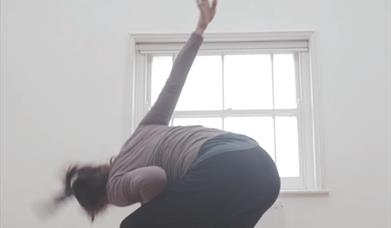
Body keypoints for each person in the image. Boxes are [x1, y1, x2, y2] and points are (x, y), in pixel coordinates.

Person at [49, 0, 280, 227]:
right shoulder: (141, 132)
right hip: (263, 170)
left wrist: (153, 214)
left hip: (222, 167)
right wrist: (199, 29)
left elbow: (154, 177)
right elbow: (174, 83)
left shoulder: (115, 188)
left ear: (97, 205)